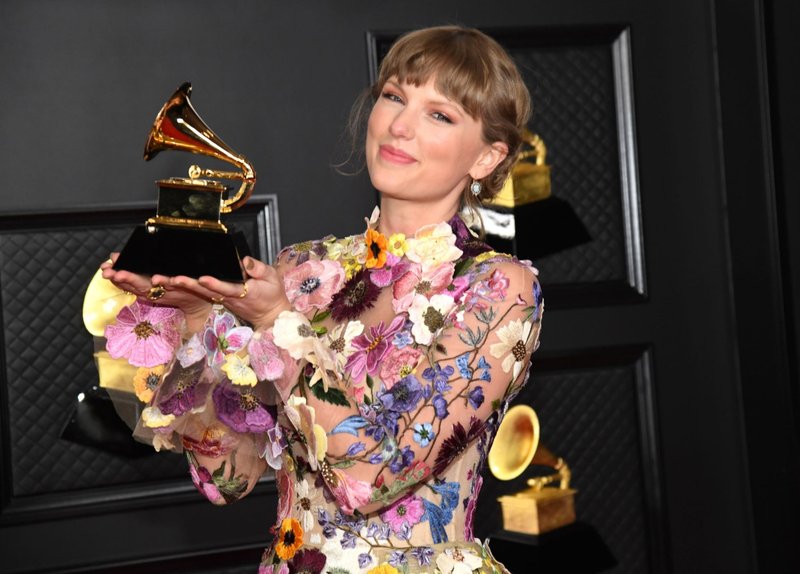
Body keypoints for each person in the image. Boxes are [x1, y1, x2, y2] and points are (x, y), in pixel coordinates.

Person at [101, 25, 543, 574]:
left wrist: (274, 322)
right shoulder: (300, 272)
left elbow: (374, 476)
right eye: (394, 96)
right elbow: (225, 481)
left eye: (440, 114)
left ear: (486, 158)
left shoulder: (497, 288)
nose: (399, 126)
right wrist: (192, 320)